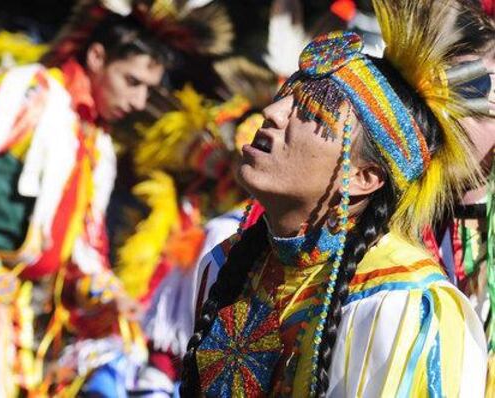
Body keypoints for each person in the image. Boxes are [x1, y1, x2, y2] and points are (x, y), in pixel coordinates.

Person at [181, 0, 490, 396]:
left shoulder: (403, 306)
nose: (273, 113)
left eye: (309, 113)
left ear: (364, 176)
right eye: (286, 97)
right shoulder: (226, 267)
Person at [0, 7, 170, 396]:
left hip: (3, 309)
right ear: (96, 57)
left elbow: (80, 252)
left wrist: (113, 300)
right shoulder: (30, 92)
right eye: (132, 81)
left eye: (148, 89)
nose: (139, 100)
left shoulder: (96, 146)